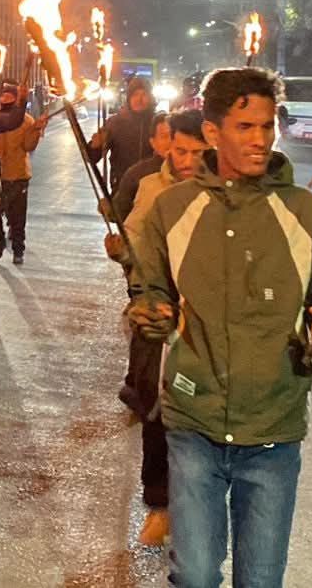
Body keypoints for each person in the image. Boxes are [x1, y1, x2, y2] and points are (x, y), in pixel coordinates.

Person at [127, 68, 312, 588]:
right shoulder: (173, 208)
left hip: (272, 428)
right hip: (194, 421)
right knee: (195, 574)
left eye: (267, 126)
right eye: (245, 126)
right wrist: (150, 313)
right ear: (213, 131)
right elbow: (150, 288)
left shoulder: (307, 214)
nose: (259, 139)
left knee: (260, 580)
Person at [103, 109, 207, 548]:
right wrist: (123, 252)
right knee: (156, 404)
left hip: (206, 320)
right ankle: (160, 503)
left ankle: (197, 502)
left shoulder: (225, 196)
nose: (186, 160)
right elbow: (137, 240)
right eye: (180, 150)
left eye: (197, 152)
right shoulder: (150, 186)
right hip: (158, 309)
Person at [0, 81, 47, 266]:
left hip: (18, 175)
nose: (6, 98)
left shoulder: (26, 120)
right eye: (3, 95)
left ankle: (18, 249)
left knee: (17, 217)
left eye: (10, 96)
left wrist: (35, 130)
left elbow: (29, 146)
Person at [89, 77, 159, 191]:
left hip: (153, 189)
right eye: (135, 95)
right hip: (121, 188)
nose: (139, 99)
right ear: (129, 98)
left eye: (144, 94)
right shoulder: (115, 123)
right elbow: (92, 158)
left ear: (151, 97)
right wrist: (95, 146)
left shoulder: (158, 123)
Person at [108, 111, 173, 225]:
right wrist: (109, 209)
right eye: (164, 136)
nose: (170, 141)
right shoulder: (137, 174)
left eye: (173, 136)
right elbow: (120, 213)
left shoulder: (191, 171)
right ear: (153, 142)